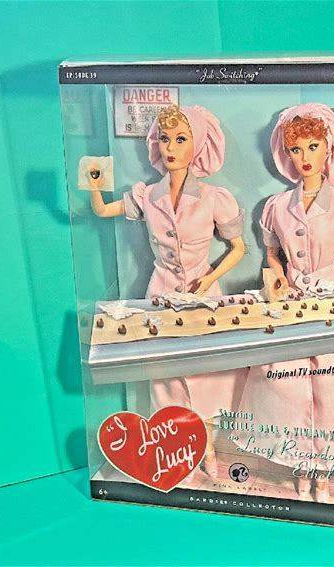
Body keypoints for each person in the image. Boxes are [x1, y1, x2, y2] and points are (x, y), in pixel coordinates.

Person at [235, 103, 334, 502]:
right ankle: (299, 462)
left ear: (329, 148)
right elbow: (272, 254)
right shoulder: (276, 207)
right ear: (287, 154)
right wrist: (275, 276)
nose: (305, 157)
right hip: (291, 303)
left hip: (330, 301)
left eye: (313, 146)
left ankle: (324, 470)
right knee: (285, 387)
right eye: (296, 149)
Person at [89, 104, 247, 477]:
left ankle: (208, 446)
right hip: (160, 292)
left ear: (197, 144)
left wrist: (209, 277)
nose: (171, 148)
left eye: (180, 139)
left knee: (207, 374)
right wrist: (93, 181)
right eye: (165, 139)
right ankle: (178, 448)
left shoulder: (213, 197)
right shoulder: (148, 194)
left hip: (203, 295)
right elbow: (102, 211)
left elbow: (238, 248)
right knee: (165, 375)